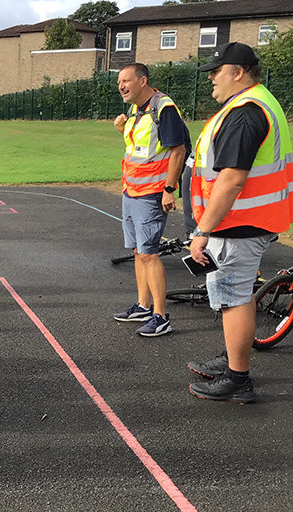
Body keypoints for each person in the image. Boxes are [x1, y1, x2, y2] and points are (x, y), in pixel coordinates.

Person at [186, 42, 293, 403]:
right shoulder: (256, 102)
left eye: (216, 71)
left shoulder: (246, 111)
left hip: (238, 223)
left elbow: (232, 179)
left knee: (233, 298)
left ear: (238, 72)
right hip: (250, 220)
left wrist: (202, 230)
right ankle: (234, 357)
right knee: (237, 296)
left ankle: (238, 378)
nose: (211, 78)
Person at [111, 63, 189, 337]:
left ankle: (161, 315)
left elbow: (177, 151)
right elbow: (143, 149)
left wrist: (169, 189)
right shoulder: (136, 109)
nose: (121, 85)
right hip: (131, 190)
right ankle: (144, 306)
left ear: (142, 81)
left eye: (126, 80)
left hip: (152, 192)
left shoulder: (163, 108)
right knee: (137, 251)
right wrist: (122, 129)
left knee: (149, 253)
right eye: (119, 81)